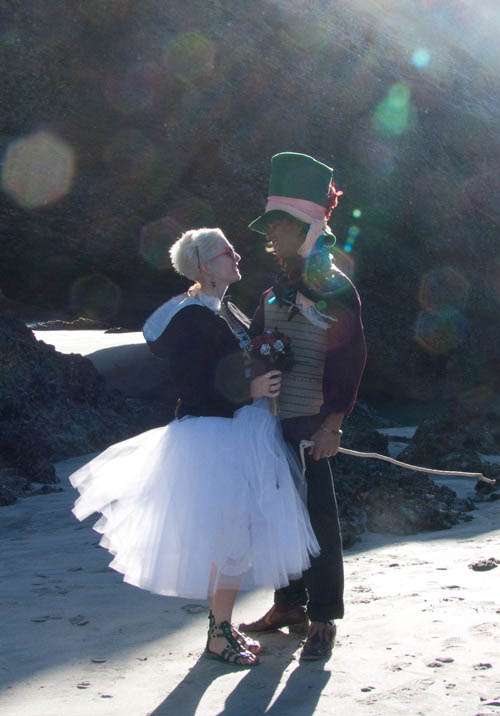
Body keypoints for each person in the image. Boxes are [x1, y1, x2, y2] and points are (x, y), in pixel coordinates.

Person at [69, 227, 319, 667]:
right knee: (231, 538)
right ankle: (218, 635)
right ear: (204, 266)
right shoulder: (191, 317)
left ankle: (221, 627)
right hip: (216, 437)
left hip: (238, 432)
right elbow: (193, 383)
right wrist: (251, 387)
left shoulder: (219, 309)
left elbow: (228, 365)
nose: (237, 256)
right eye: (227, 252)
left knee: (233, 538)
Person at [240, 152, 367, 660]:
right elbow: (255, 342)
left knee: (318, 519)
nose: (272, 235)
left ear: (306, 229)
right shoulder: (275, 291)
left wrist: (334, 423)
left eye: (280, 225)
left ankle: (324, 618)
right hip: (275, 423)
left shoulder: (335, 288)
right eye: (271, 225)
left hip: (313, 421)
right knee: (279, 516)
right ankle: (288, 604)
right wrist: (257, 373)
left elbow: (351, 359)